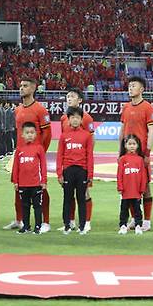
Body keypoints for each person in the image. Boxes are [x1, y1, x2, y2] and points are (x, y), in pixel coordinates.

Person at [4, 78, 52, 233]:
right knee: (18, 188)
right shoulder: (17, 110)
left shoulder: (40, 110)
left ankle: (45, 221)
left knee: (41, 189)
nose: (21, 88)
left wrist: (39, 153)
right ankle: (20, 220)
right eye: (20, 85)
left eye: (25, 86)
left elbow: (48, 134)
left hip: (35, 157)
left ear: (33, 88)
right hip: (21, 155)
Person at [119, 76, 153, 231]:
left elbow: (152, 131)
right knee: (128, 187)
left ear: (141, 89)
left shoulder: (148, 107)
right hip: (126, 155)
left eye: (133, 85)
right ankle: (135, 219)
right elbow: (122, 130)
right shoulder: (126, 108)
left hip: (140, 155)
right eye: (129, 85)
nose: (130, 88)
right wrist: (120, 151)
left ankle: (146, 221)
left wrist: (147, 152)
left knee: (145, 186)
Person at [59, 88, 95, 232]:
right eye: (67, 96)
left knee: (84, 193)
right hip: (69, 164)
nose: (69, 99)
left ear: (80, 100)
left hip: (82, 164)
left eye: (72, 96)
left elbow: (91, 141)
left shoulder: (87, 118)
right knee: (69, 194)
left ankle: (86, 222)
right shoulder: (64, 118)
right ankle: (71, 221)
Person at [12, 122, 47, 235]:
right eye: (27, 133)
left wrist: (44, 181)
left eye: (32, 132)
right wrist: (16, 181)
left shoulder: (39, 148)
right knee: (25, 206)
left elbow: (43, 166)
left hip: (36, 183)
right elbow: (16, 167)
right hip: (23, 184)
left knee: (37, 206)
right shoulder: (19, 150)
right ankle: (26, 226)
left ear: (36, 134)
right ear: (22, 134)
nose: (30, 135)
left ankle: (38, 226)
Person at [117, 134, 146, 235]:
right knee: (124, 209)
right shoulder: (122, 159)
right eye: (130, 144)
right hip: (125, 191)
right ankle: (123, 225)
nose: (132, 146)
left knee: (137, 209)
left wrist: (142, 189)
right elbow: (119, 174)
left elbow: (143, 176)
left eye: (134, 144)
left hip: (136, 191)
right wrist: (120, 187)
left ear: (138, 145)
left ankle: (138, 225)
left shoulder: (140, 160)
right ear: (125, 145)